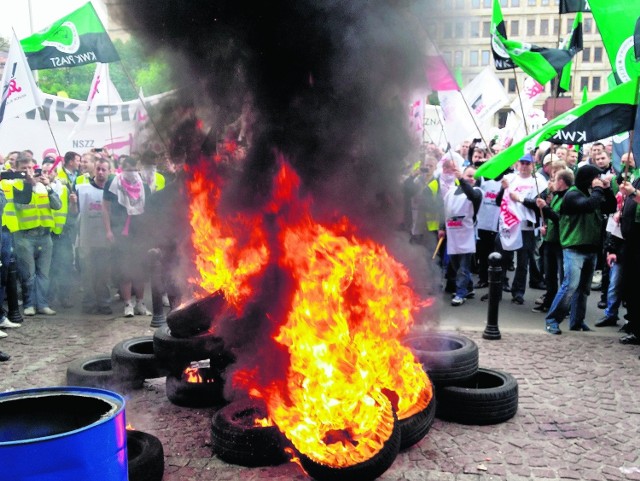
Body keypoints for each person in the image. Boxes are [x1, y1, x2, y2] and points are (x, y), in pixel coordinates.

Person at [544, 165, 616, 334]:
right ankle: (552, 320)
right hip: (573, 247)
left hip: (591, 248)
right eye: (595, 177)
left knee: (583, 288)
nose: (597, 180)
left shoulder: (593, 193)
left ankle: (577, 321)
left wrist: (607, 190)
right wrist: (599, 189)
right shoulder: (572, 194)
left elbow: (610, 208)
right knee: (570, 285)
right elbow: (588, 206)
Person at [7, 155, 62, 316]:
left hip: (45, 235)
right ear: (17, 170)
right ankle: (29, 304)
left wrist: (49, 187)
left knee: (44, 274)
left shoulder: (43, 185)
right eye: (24, 169)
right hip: (25, 235)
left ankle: (42, 304)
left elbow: (57, 205)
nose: (28, 172)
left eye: (30, 168)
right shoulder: (15, 185)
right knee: (28, 274)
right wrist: (28, 185)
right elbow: (19, 205)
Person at [103, 155, 152, 317]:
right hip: (121, 232)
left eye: (134, 170)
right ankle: (127, 304)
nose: (131, 173)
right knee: (125, 269)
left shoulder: (144, 185)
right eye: (127, 170)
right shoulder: (113, 184)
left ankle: (140, 303)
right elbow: (105, 208)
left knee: (140, 270)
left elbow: (149, 211)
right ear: (121, 169)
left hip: (139, 233)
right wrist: (108, 230)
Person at [497, 153, 547, 305]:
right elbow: (498, 201)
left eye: (528, 163)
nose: (524, 166)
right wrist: (502, 190)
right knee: (502, 258)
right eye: (522, 163)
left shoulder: (539, 181)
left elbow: (538, 205)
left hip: (526, 226)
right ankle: (497, 288)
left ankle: (518, 292)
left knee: (523, 262)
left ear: (533, 165)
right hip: (508, 224)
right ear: (517, 164)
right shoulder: (510, 178)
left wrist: (519, 199)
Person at [531, 168, 574, 314]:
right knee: (549, 275)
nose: (553, 182)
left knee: (563, 276)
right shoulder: (555, 196)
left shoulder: (569, 197)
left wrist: (546, 208)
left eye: (555, 179)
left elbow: (560, 219)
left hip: (562, 242)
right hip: (550, 240)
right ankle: (549, 301)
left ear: (561, 182)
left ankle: (564, 306)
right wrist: (545, 227)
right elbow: (551, 218)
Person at [439, 165, 482, 306]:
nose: (471, 179)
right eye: (469, 175)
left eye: (474, 177)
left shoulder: (477, 192)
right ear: (463, 174)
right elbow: (444, 211)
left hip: (466, 235)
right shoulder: (450, 192)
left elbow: (472, 196)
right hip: (452, 234)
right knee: (456, 266)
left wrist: (462, 181)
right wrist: (442, 228)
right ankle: (468, 288)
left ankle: (460, 293)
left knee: (463, 267)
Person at [76, 158, 113, 314]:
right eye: (98, 169)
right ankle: (88, 304)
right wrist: (73, 203)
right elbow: (73, 213)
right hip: (86, 240)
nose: (100, 172)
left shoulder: (112, 192)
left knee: (103, 275)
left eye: (104, 169)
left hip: (104, 241)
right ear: (93, 170)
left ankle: (104, 304)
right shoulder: (82, 189)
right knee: (88, 274)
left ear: (109, 171)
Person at [49, 151, 79, 308]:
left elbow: (73, 211)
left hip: (65, 231)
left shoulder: (65, 185)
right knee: (51, 267)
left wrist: (73, 203)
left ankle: (64, 296)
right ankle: (49, 298)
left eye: (52, 169)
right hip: (49, 232)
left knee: (66, 265)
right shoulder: (44, 187)